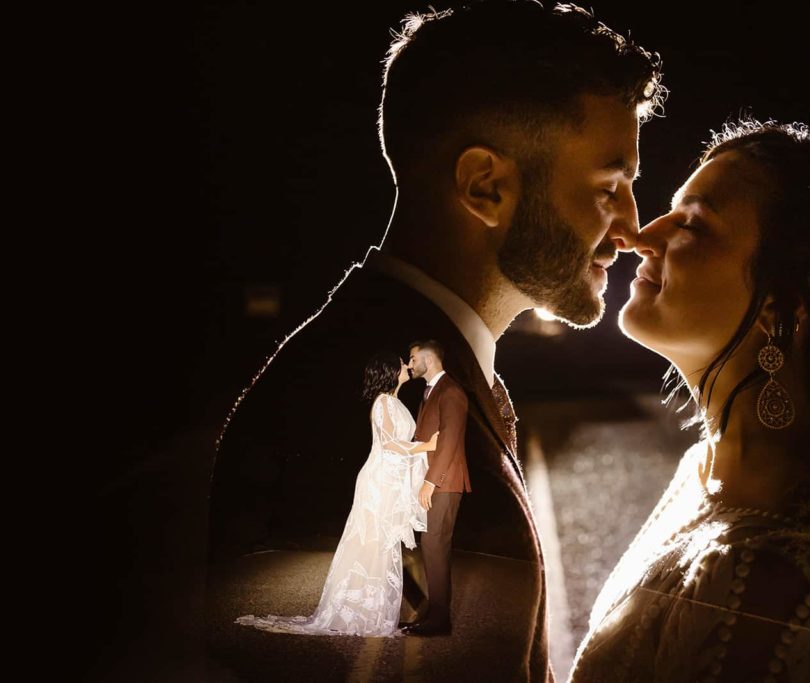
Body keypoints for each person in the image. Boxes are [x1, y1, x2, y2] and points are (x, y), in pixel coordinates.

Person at [207, 2, 666, 679]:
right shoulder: (372, 413)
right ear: (485, 187)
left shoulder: (393, 360)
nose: (630, 226)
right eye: (610, 184)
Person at [569, 119, 810, 682]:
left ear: (785, 305)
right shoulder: (705, 469)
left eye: (695, 226)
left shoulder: (769, 579)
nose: (643, 235)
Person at [234, 352, 437, 636]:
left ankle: (374, 614)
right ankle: (355, 613)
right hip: (378, 482)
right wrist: (426, 447)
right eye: (402, 363)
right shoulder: (383, 403)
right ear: (390, 371)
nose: (406, 366)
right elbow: (390, 446)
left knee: (384, 546)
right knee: (370, 544)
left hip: (391, 482)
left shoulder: (396, 403)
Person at [401, 340, 469, 636]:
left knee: (434, 545)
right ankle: (432, 613)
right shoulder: (429, 394)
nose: (410, 363)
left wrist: (430, 483)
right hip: (432, 480)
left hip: (444, 481)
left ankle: (440, 620)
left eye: (413, 358)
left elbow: (449, 441)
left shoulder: (451, 391)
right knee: (430, 546)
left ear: (429, 358)